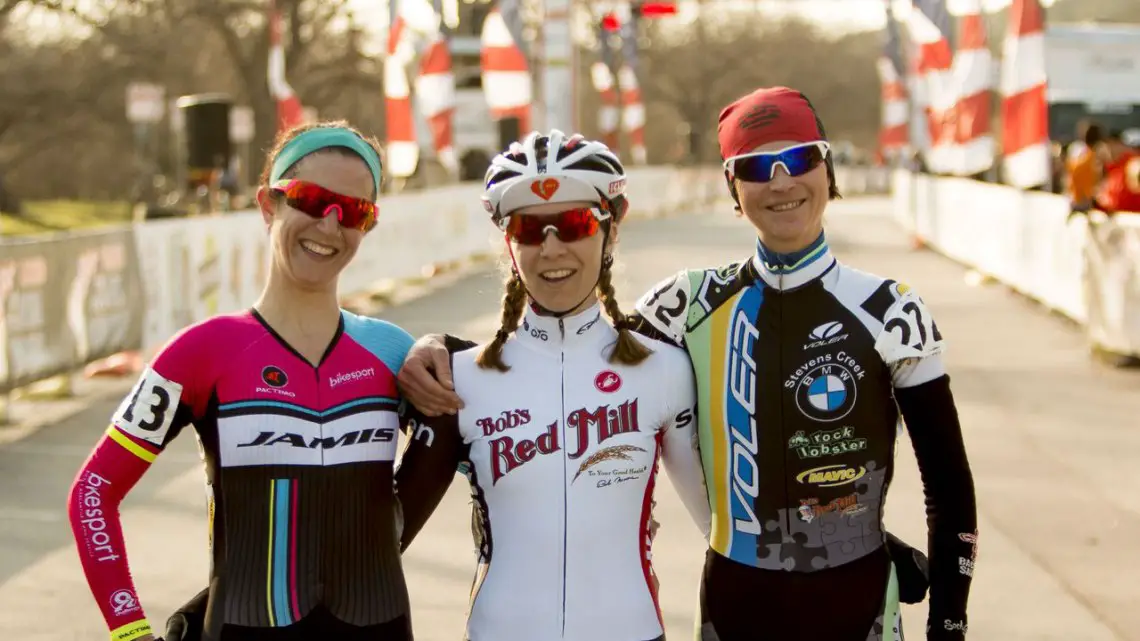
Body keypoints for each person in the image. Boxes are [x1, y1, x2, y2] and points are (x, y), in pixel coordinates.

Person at [399, 87, 977, 641]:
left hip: (857, 600)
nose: (780, 182)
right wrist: (441, 347)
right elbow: (567, 351)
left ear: (828, 168)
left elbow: (949, 488)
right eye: (754, 167)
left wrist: (947, 624)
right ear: (732, 185)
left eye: (799, 158)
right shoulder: (688, 304)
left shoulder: (890, 308)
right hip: (734, 607)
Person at [67, 121, 445, 641]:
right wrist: (129, 631)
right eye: (311, 200)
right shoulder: (203, 352)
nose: (330, 226)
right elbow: (94, 491)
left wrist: (444, 346)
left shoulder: (393, 352)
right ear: (269, 205)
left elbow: (488, 454)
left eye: (354, 211)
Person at [396, 129, 712, 641]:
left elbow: (723, 532)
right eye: (528, 229)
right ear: (508, 241)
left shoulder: (666, 370)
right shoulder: (460, 380)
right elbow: (378, 547)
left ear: (610, 231)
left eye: (573, 224)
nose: (550, 248)